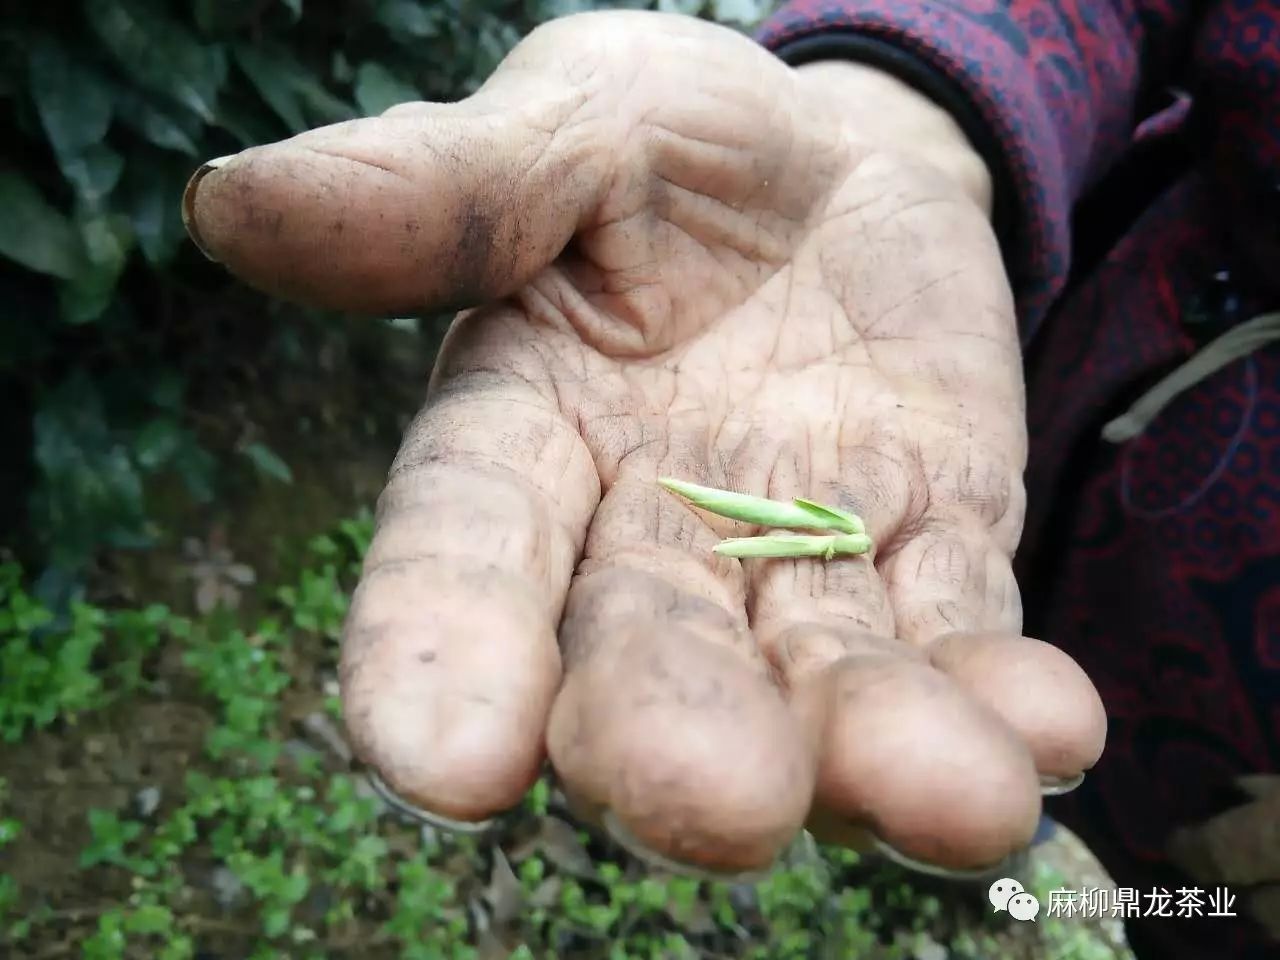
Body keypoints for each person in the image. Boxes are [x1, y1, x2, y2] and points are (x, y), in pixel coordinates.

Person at [179, 3, 1280, 957]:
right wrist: (905, 104)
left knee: (1159, 885)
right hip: (1051, 431)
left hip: (1226, 822)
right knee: (1029, 787)